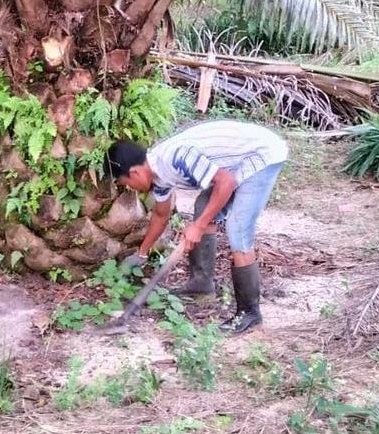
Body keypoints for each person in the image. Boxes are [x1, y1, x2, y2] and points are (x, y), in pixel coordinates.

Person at [105, 121, 288, 335]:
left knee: (238, 229)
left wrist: (198, 226)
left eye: (124, 182)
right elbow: (161, 214)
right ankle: (201, 283)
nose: (128, 188)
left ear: (135, 172)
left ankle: (249, 313)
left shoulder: (177, 157)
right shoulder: (158, 176)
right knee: (203, 207)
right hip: (233, 165)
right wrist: (142, 253)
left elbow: (226, 183)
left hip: (262, 155)